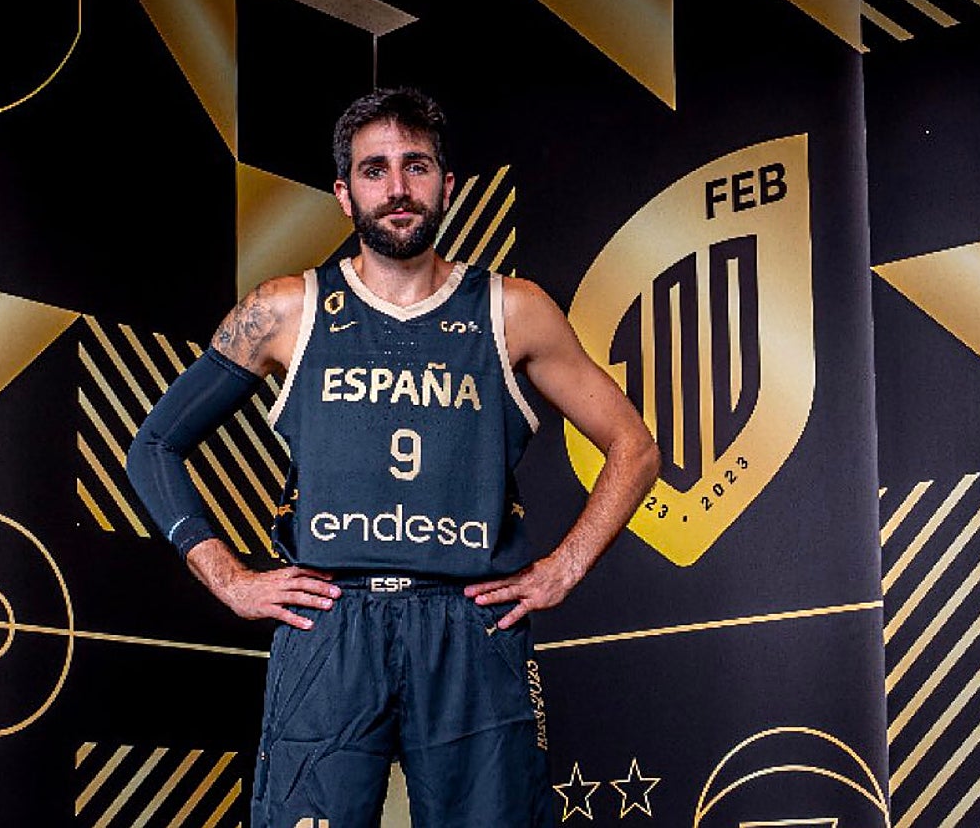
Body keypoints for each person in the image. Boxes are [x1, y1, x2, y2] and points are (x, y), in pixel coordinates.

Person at [127, 87, 660, 827]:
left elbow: (634, 447)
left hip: (470, 625)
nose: (398, 187)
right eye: (374, 170)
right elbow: (154, 446)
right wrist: (230, 580)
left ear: (447, 184)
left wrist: (563, 568)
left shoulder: (513, 309)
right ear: (345, 194)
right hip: (330, 621)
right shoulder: (284, 310)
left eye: (417, 165)